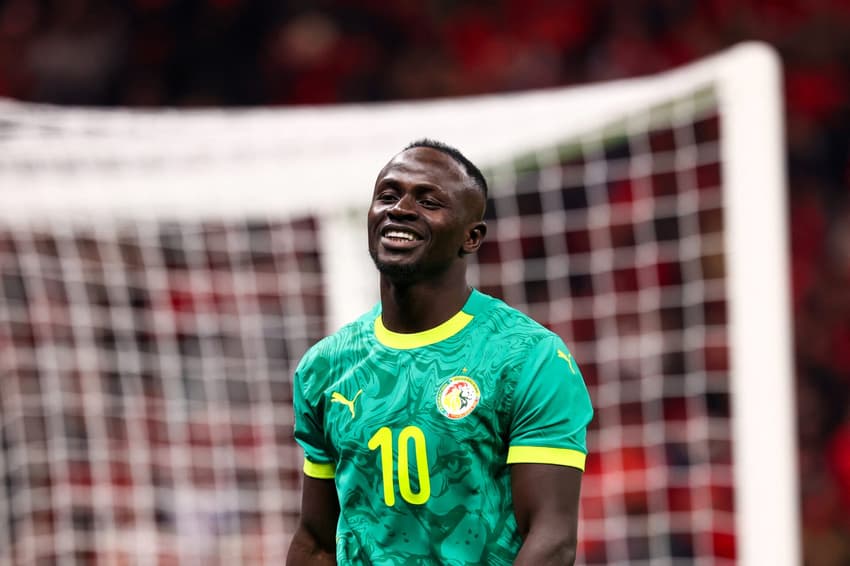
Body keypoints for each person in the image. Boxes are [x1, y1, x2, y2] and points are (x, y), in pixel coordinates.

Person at [287, 139, 593, 566]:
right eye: (388, 196)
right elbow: (315, 539)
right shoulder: (325, 367)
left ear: (471, 238)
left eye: (428, 201)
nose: (400, 209)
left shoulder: (530, 358)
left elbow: (551, 540)